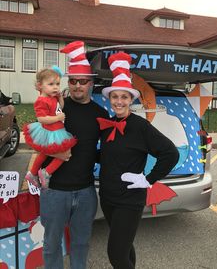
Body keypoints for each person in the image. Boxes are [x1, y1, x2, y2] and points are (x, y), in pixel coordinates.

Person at [97, 52, 179, 269]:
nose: (119, 101)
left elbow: (171, 154)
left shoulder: (140, 127)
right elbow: (105, 156)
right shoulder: (107, 126)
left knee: (115, 254)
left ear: (131, 99)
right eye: (115, 97)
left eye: (124, 97)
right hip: (108, 197)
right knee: (125, 248)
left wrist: (148, 179)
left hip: (129, 200)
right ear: (110, 99)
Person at [39, 41, 109, 269]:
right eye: (73, 81)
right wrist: (53, 152)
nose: (78, 86)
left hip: (86, 191)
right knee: (51, 244)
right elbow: (38, 140)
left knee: (81, 244)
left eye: (83, 81)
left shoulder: (100, 113)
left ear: (91, 83)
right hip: (55, 191)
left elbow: (109, 150)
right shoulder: (57, 109)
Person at [23, 66, 77, 188]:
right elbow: (41, 118)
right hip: (51, 131)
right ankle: (46, 172)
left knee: (46, 152)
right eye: (51, 84)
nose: (55, 87)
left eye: (57, 84)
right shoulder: (41, 100)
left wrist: (60, 97)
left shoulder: (52, 98)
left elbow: (60, 108)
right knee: (64, 154)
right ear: (40, 85)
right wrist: (57, 118)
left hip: (57, 129)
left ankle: (32, 173)